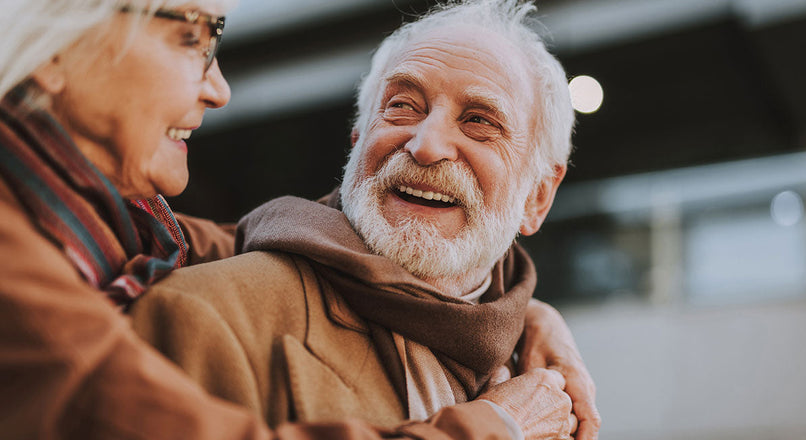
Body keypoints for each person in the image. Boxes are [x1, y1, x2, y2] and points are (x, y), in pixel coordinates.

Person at [0, 0, 599, 439]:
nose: (219, 87)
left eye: (480, 122)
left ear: (538, 199)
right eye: (191, 39)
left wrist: (519, 314)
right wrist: (497, 428)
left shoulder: (112, 228)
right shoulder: (190, 308)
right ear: (358, 140)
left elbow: (243, 236)